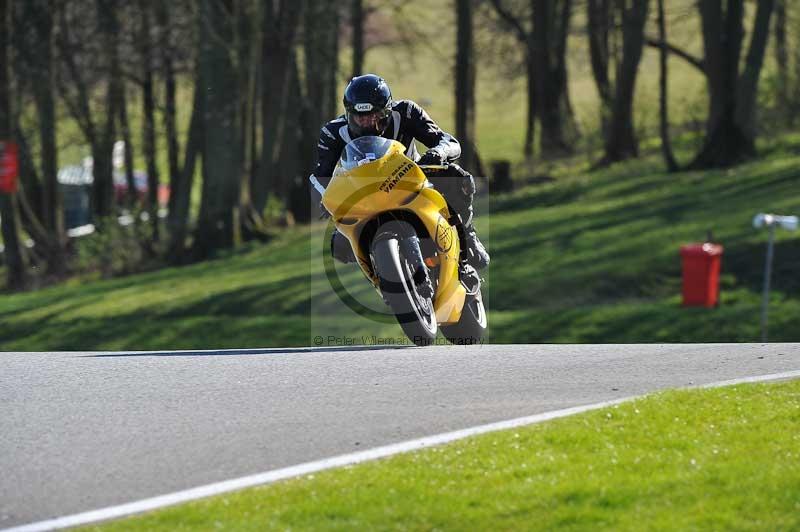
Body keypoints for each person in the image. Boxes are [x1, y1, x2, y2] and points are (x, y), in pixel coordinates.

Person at [310, 74, 489, 270]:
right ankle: (384, 274)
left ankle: (468, 234)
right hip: (366, 199)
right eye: (360, 118)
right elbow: (320, 177)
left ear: (387, 110)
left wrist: (438, 153)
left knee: (458, 178)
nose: (367, 123)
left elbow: (448, 141)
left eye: (374, 116)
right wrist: (326, 198)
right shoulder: (332, 133)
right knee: (339, 246)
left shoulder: (407, 112)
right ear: (348, 113)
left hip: (413, 180)